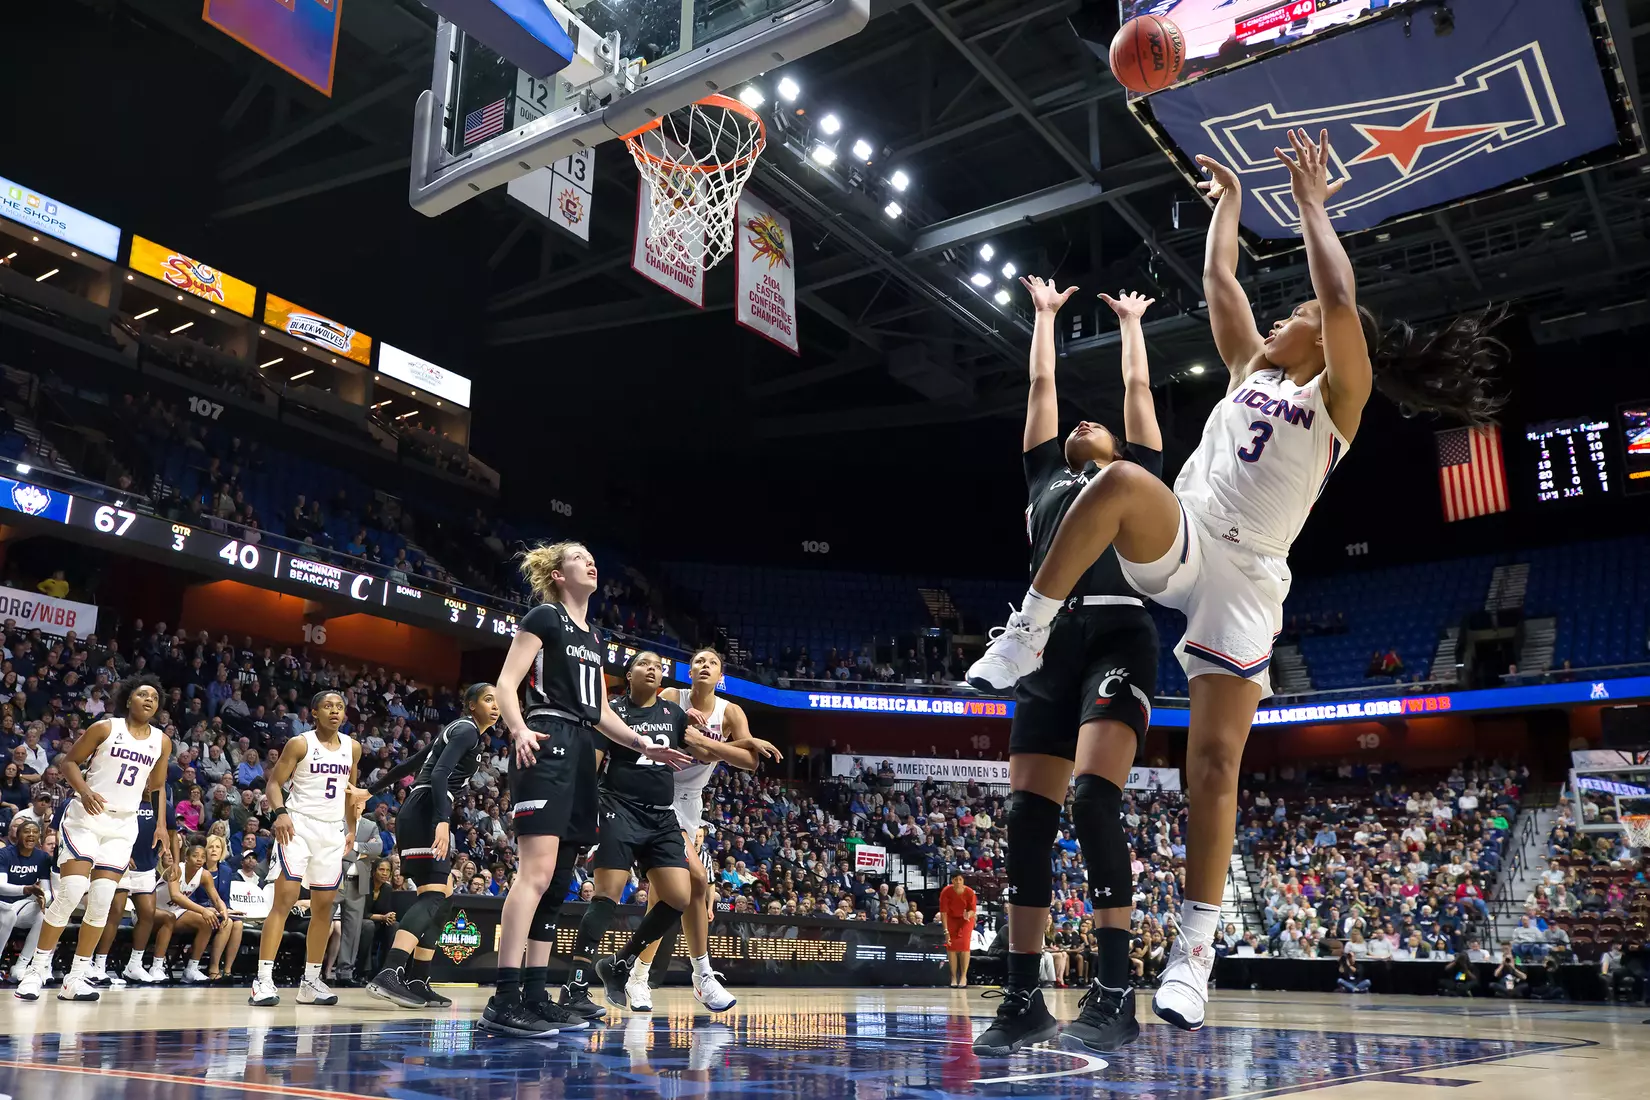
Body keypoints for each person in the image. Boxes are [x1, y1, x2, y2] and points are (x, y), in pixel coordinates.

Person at [967, 129, 1506, 1031]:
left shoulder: (1340, 399)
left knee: (1214, 763)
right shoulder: (1251, 367)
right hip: (1184, 540)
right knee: (1123, 482)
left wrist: (1311, 205)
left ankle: (1194, 948)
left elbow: (1337, 293)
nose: (1291, 311)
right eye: (1290, 308)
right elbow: (1221, 286)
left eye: (1300, 311)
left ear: (1332, 342)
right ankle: (1024, 632)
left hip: (1249, 575)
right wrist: (1225, 202)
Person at [972, 279, 1164, 1057]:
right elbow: (1042, 384)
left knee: (1091, 799)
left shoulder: (1136, 477)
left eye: (1102, 427)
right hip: (1047, 646)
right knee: (1025, 818)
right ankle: (1024, 997)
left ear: (1124, 454)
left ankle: (1116, 991)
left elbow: (1138, 387)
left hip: (1119, 638)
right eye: (1079, 426)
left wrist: (1131, 326)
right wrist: (1045, 318)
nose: (1088, 423)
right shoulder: (1043, 477)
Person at [482, 542, 692, 1039]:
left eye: (592, 556)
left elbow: (600, 711)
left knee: (557, 884)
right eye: (579, 557)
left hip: (581, 749)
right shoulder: (544, 617)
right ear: (557, 574)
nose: (591, 561)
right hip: (545, 737)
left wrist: (646, 744)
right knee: (534, 874)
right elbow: (506, 683)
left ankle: (536, 993)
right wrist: (516, 728)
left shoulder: (594, 639)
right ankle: (504, 996)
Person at [583, 651, 774, 1014]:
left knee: (671, 895)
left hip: (691, 802)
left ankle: (639, 972)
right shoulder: (671, 699)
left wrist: (721, 746)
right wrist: (724, 746)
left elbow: (750, 762)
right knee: (695, 881)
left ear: (721, 675)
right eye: (698, 661)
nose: (704, 666)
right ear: (689, 671)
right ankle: (693, 976)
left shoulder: (730, 712)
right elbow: (707, 748)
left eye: (712, 663)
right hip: (657, 791)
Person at [16, 674, 171, 1002]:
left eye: (154, 699)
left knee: (102, 901)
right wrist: (83, 791)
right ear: (129, 698)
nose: (149, 701)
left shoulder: (161, 741)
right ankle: (35, 970)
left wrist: (160, 825)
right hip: (86, 818)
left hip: (123, 826)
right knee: (72, 890)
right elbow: (69, 762)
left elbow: (156, 786)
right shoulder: (105, 728)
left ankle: (76, 978)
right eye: (143, 695)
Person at [366, 683, 502, 1009]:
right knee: (432, 895)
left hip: (422, 808)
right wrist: (442, 820)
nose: (496, 706)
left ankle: (417, 978)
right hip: (428, 809)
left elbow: (409, 765)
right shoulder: (467, 730)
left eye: (498, 700)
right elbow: (439, 775)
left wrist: (369, 791)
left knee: (445, 899)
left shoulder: (456, 731)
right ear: (471, 705)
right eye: (488, 699)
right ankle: (389, 972)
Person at [249, 690, 366, 1007]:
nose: (335, 711)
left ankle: (311, 981)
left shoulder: (352, 748)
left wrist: (351, 828)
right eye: (328, 706)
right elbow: (274, 784)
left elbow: (350, 793)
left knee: (324, 908)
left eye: (340, 707)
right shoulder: (300, 743)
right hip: (298, 826)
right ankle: (262, 980)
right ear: (314, 712)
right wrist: (280, 814)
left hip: (331, 832)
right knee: (283, 902)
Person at [96, 791, 177, 987]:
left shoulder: (163, 806)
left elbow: (172, 833)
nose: (149, 785)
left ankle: (134, 965)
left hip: (147, 866)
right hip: (122, 865)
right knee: (114, 913)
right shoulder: (125, 800)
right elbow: (107, 830)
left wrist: (175, 860)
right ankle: (98, 965)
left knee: (147, 914)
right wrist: (119, 852)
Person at [151, 838, 230, 984]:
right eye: (195, 856)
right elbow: (176, 897)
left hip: (174, 913)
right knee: (170, 917)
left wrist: (222, 909)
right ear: (186, 858)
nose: (200, 859)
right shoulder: (175, 870)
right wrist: (203, 910)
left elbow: (217, 899)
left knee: (207, 922)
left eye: (203, 857)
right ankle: (156, 968)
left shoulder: (205, 875)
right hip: (151, 912)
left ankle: (191, 969)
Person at [0, 820, 52, 981]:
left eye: (35, 832)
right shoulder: (5, 854)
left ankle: (21, 966)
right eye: (26, 831)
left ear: (39, 837)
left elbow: (46, 889)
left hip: (21, 906)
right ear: (17, 835)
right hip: (2, 903)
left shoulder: (42, 857)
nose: (31, 835)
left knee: (44, 916)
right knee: (8, 915)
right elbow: (1, 886)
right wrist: (26, 889)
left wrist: (43, 898)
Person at [939, 872, 978, 989]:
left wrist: (968, 915)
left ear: (963, 881)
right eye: (956, 880)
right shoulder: (946, 892)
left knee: (964, 946)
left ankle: (963, 976)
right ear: (952, 881)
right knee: (951, 946)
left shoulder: (970, 892)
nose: (958, 882)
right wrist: (946, 931)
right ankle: (954, 977)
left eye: (960, 879)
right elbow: (943, 913)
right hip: (951, 919)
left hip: (966, 919)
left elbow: (973, 910)